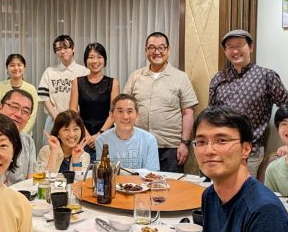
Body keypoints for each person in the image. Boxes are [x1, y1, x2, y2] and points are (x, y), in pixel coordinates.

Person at [208, 29, 288, 177]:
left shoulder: (266, 76)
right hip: (221, 149)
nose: (235, 51)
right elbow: (210, 115)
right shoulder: (218, 78)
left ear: (251, 47)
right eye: (230, 47)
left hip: (251, 151)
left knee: (245, 188)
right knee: (219, 187)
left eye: (240, 45)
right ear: (225, 51)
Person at [124, 32, 198, 173]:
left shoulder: (181, 77)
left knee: (169, 185)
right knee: (137, 183)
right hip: (139, 144)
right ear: (146, 50)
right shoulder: (135, 76)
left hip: (170, 148)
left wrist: (184, 143)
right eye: (152, 47)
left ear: (168, 50)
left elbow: (188, 113)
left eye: (161, 48)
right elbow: (125, 108)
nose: (157, 52)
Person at [69, 42, 119, 161]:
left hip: (106, 135)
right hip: (82, 136)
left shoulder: (113, 83)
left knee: (106, 169)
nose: (95, 61)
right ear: (86, 60)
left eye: (99, 57)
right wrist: (86, 135)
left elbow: (114, 113)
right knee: (80, 168)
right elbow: (72, 111)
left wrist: (99, 135)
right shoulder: (77, 82)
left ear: (104, 60)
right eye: (91, 57)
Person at [38, 35, 89, 140]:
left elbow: (87, 98)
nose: (62, 51)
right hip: (54, 120)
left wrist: (73, 118)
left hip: (77, 120)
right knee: (51, 148)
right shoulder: (49, 72)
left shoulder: (84, 71)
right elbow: (44, 98)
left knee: (77, 148)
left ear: (73, 48)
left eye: (66, 47)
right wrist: (56, 118)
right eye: (58, 49)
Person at [95, 94, 159, 171]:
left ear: (137, 115)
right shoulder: (102, 140)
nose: (125, 117)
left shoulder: (149, 140)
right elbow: (102, 173)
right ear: (112, 115)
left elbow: (152, 173)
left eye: (129, 111)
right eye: (120, 111)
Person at [0, 54, 39, 134]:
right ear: (7, 68)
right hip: (1, 133)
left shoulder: (31, 89)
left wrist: (19, 135)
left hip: (23, 135)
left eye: (19, 65)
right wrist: (3, 132)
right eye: (12, 65)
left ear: (24, 67)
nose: (16, 68)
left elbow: (31, 116)